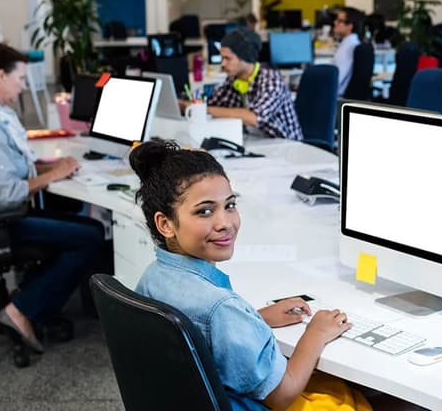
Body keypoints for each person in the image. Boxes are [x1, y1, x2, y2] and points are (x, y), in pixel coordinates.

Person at [130, 141, 370, 410]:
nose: (225, 223)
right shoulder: (221, 308)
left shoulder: (153, 277)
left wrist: (256, 318)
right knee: (363, 399)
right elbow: (282, 394)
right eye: (205, 211)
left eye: (230, 205)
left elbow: (196, 333)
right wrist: (316, 333)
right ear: (166, 224)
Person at [0, 43, 104, 353]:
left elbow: (12, 167)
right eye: (20, 78)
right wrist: (52, 176)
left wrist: (50, 166)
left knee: (82, 226)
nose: (24, 85)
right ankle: (21, 309)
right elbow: (8, 191)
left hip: (0, 213)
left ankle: (31, 300)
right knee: (89, 236)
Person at [207, 27, 303, 140]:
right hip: (255, 141)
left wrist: (204, 110)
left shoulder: (270, 80)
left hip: (286, 145)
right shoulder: (234, 79)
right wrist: (187, 105)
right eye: (222, 58)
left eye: (228, 58)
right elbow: (213, 103)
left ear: (245, 57)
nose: (222, 64)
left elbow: (254, 118)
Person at [332, 6, 365, 98]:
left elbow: (336, 80)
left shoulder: (347, 48)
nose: (335, 22)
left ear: (350, 26)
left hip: (337, 98)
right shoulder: (353, 43)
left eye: (339, 21)